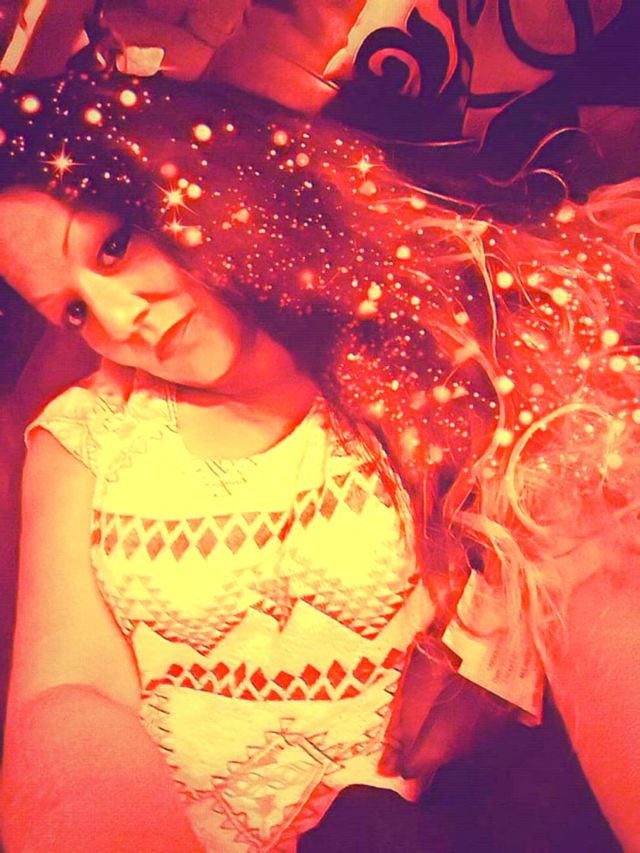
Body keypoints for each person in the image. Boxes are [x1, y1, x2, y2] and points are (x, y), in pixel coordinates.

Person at [0, 62, 639, 851]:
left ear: (191, 175)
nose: (118, 318)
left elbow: (593, 574)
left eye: (113, 246)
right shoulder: (85, 439)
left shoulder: (437, 342)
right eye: (72, 311)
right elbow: (67, 693)